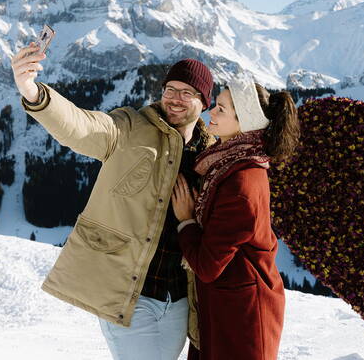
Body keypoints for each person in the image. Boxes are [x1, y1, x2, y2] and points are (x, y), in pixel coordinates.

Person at [11, 42, 214, 360]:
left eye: (186, 92)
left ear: (204, 101)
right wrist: (34, 92)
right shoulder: (131, 127)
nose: (174, 98)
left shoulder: (211, 155)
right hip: (129, 294)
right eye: (170, 89)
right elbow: (81, 127)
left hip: (178, 300)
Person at [171, 77, 299, 360]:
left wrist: (186, 222)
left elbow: (207, 265)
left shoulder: (241, 183)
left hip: (243, 318)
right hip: (227, 308)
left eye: (221, 109)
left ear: (245, 123)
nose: (210, 114)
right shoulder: (228, 163)